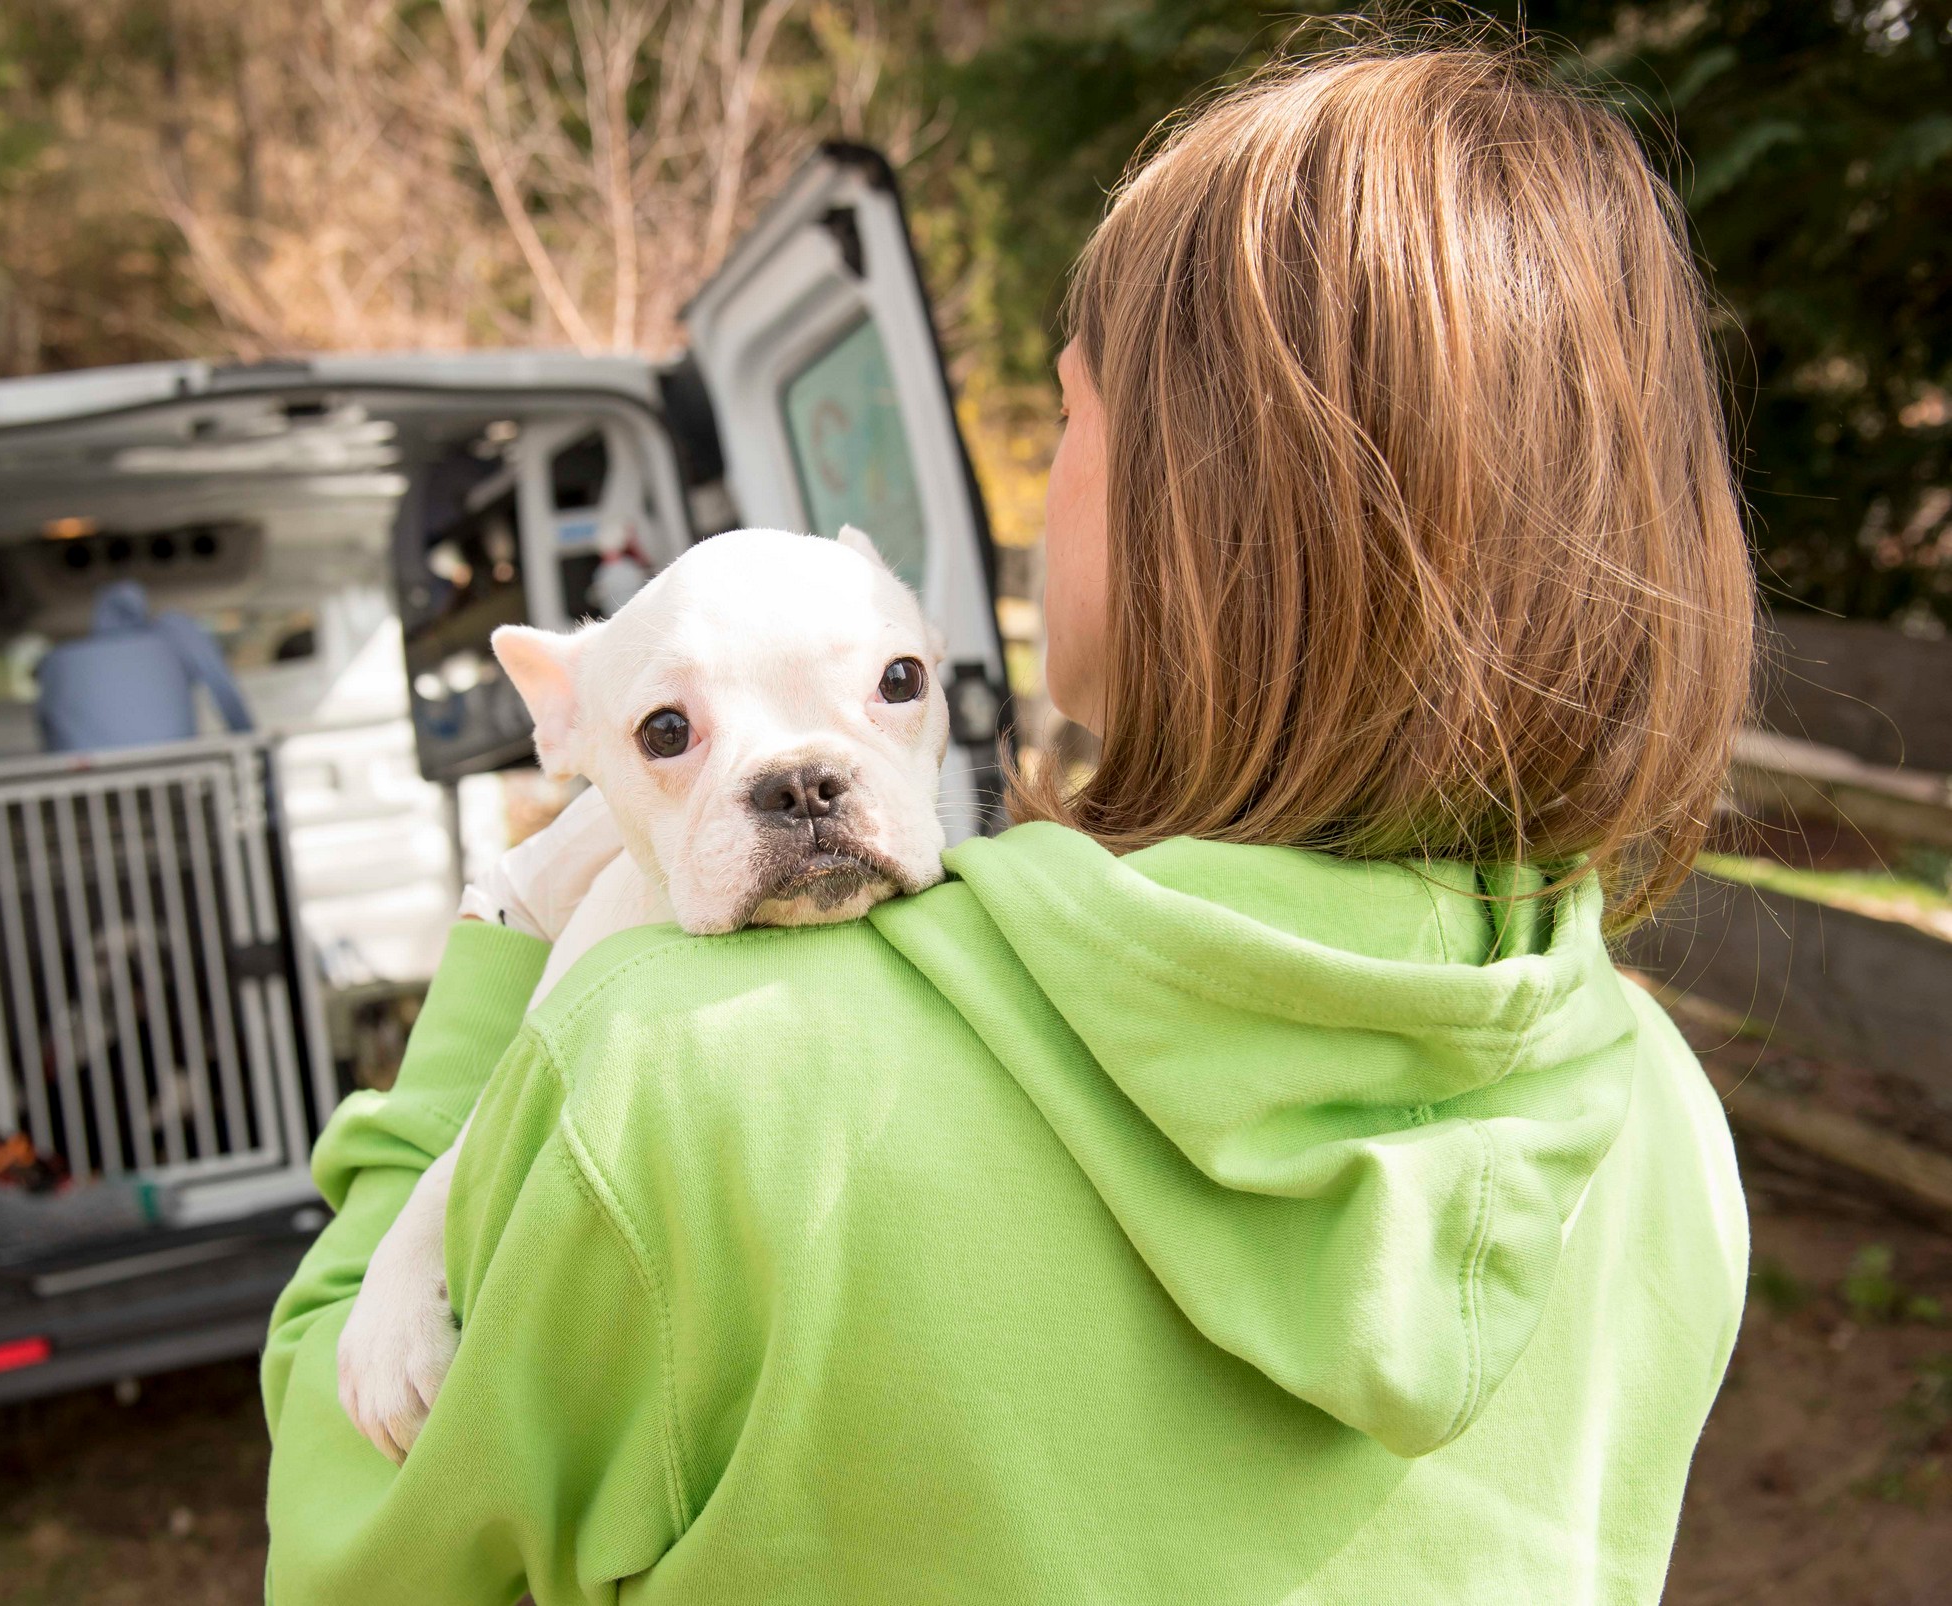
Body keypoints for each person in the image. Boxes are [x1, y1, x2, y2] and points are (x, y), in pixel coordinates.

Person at [265, 43, 1753, 1604]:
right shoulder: (1653, 1118)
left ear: (1191, 498)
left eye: (1069, 413)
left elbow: (345, 1525)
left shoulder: (686, 1068)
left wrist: (508, 931)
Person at [34, 579, 254, 752]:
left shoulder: (58, 662)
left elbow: (48, 730)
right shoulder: (174, 638)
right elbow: (226, 695)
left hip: (90, 784)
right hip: (175, 768)